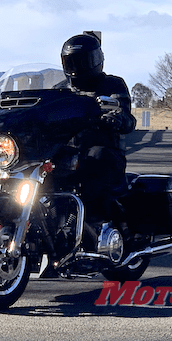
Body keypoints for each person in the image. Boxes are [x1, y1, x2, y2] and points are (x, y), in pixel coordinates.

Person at [59, 32, 136, 222]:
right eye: (72, 62)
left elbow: (125, 115)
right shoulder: (60, 90)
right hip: (66, 151)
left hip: (105, 151)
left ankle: (99, 222)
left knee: (96, 157)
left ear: (97, 60)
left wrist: (115, 117)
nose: (77, 67)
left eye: (83, 61)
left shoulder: (112, 85)